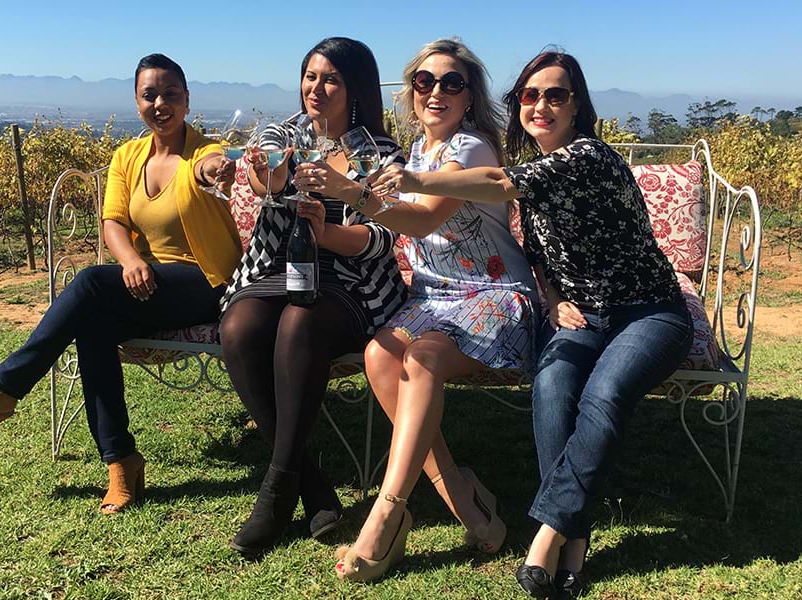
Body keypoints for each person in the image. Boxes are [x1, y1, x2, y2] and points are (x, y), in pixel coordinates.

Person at [368, 50, 694, 598]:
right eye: (530, 94)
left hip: (648, 311)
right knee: (551, 386)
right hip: (582, 314)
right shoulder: (537, 180)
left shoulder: (586, 156)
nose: (541, 105)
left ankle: (552, 533)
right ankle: (571, 528)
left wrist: (414, 177)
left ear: (577, 105)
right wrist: (553, 298)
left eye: (555, 95)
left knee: (605, 392)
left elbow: (498, 181)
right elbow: (539, 256)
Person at [0, 53, 241, 515]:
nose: (160, 103)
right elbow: (112, 222)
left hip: (206, 283)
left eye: (170, 94)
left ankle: (3, 388)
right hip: (149, 285)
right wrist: (131, 260)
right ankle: (121, 463)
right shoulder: (127, 157)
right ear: (137, 102)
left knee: (92, 282)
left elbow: (211, 166)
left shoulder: (205, 151)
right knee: (93, 323)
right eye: (149, 95)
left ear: (187, 99)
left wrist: (213, 170)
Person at [297, 38, 541, 582]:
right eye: (425, 82)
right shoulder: (416, 151)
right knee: (379, 356)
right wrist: (328, 223)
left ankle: (387, 513)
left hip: (492, 294)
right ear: (411, 91)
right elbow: (391, 214)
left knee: (421, 360)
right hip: (433, 296)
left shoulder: (471, 148)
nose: (436, 92)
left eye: (452, 83)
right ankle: (459, 490)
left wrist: (347, 190)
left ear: (469, 96)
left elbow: (422, 218)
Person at [218, 37, 407, 556]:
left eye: (331, 79)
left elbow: (381, 238)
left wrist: (327, 232)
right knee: (239, 327)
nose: (316, 88)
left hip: (351, 279)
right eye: (310, 76)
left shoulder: (377, 153)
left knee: (298, 321)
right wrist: (269, 172)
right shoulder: (287, 133)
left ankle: (277, 491)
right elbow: (266, 173)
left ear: (355, 89)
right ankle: (311, 483)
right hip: (278, 268)